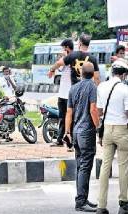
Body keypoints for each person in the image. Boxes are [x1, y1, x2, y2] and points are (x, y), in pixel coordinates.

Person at [65, 62, 100, 212]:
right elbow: (93, 109)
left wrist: (67, 132)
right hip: (87, 132)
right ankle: (80, 202)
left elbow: (69, 113)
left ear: (80, 73)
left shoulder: (73, 88)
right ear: (93, 74)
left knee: (80, 166)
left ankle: (82, 198)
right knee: (85, 167)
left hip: (76, 132)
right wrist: (99, 126)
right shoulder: (92, 86)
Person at [96, 59, 128, 214]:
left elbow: (99, 112)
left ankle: (101, 206)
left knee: (105, 166)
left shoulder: (102, 86)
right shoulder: (125, 89)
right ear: (123, 75)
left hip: (107, 130)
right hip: (122, 130)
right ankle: (124, 204)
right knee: (124, 167)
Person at [48, 39, 73, 148]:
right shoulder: (64, 59)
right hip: (62, 94)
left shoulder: (72, 58)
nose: (62, 50)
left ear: (67, 47)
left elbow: (58, 64)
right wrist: (53, 69)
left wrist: (52, 68)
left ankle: (70, 141)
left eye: (63, 48)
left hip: (69, 94)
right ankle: (60, 140)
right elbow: (59, 66)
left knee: (70, 118)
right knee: (62, 117)